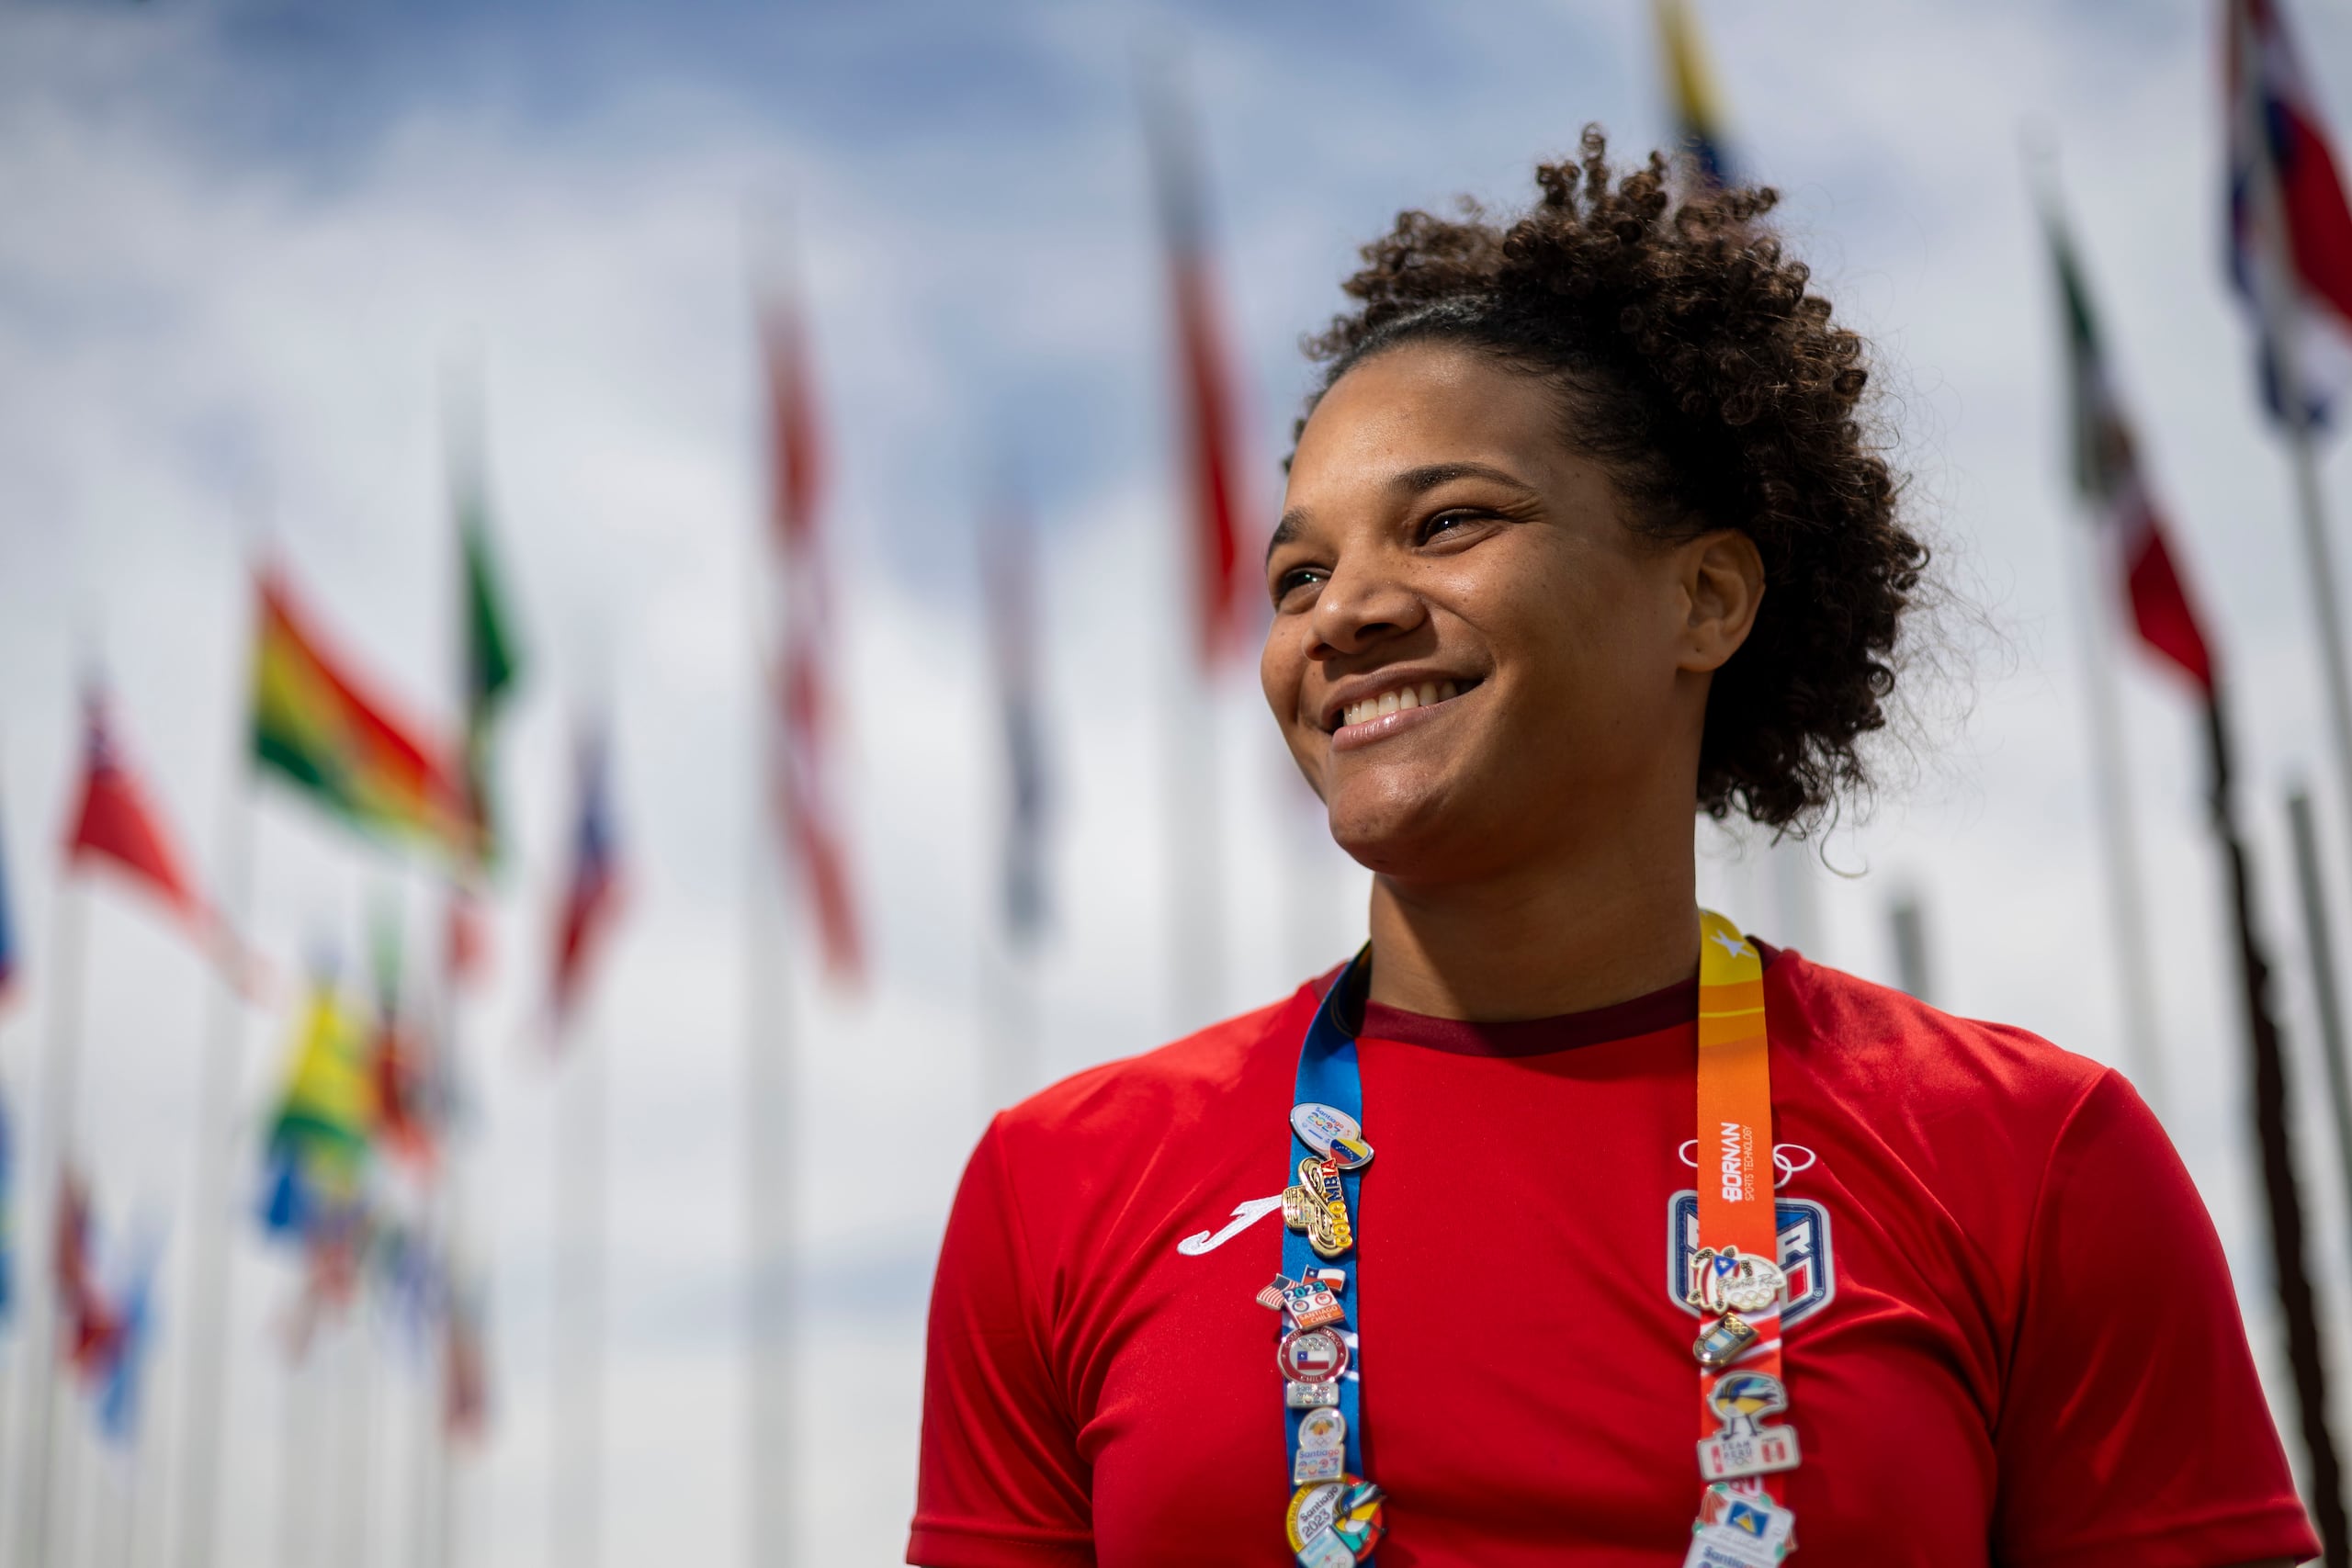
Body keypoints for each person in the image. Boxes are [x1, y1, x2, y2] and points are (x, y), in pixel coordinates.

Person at [908, 130, 2318, 1568]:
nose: (1344, 614)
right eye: (1299, 576)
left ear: (1705, 599)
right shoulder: (1060, 1187)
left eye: (1449, 523)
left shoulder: (2030, 1153)